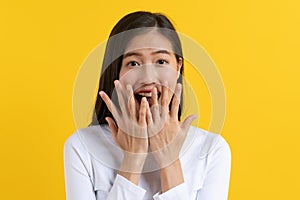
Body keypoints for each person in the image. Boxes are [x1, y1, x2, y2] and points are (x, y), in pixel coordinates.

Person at [64, 11, 231, 200]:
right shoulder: (82, 146)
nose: (148, 78)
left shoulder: (212, 149)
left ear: (178, 68)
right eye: (133, 63)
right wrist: (133, 159)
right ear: (117, 73)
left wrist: (169, 161)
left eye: (161, 61)